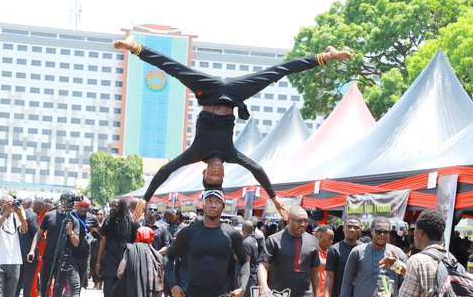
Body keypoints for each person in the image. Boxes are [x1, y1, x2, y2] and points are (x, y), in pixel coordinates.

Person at [113, 35, 354, 221]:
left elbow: (165, 170)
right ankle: (324, 56)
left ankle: (135, 47)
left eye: (213, 174)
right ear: (224, 172)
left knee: (174, 69)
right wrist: (274, 197)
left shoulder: (196, 154)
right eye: (220, 175)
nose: (217, 171)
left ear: (204, 172)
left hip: (208, 91)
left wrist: (145, 198)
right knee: (274, 73)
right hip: (233, 95)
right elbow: (257, 168)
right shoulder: (230, 154)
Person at [28, 192, 80, 297]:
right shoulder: (49, 216)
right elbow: (39, 233)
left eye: (72, 203)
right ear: (62, 201)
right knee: (44, 287)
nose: (70, 205)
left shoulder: (74, 221)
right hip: (48, 258)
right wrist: (33, 250)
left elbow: (76, 242)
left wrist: (70, 231)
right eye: (68, 202)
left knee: (57, 288)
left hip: (64, 260)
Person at [96, 197, 138, 297]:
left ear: (122, 207)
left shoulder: (132, 222)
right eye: (111, 206)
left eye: (116, 206)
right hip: (109, 261)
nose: (113, 209)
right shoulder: (108, 221)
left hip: (126, 261)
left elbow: (135, 243)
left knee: (124, 293)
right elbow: (103, 242)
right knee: (108, 293)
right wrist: (98, 262)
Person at [63, 199, 97, 297]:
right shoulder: (70, 217)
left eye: (86, 207)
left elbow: (101, 231)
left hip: (85, 257)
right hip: (71, 256)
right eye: (81, 206)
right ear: (76, 206)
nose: (83, 209)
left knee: (79, 288)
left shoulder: (92, 218)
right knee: (75, 286)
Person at [233, 220, 259, 297]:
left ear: (243, 228)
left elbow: (246, 262)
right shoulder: (252, 240)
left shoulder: (247, 242)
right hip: (248, 276)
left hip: (247, 277)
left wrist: (241, 278)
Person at [14, 197, 41, 297]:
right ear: (31, 204)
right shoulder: (32, 215)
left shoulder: (15, 214)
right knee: (29, 277)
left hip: (17, 249)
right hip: (30, 249)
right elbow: (37, 233)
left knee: (19, 277)